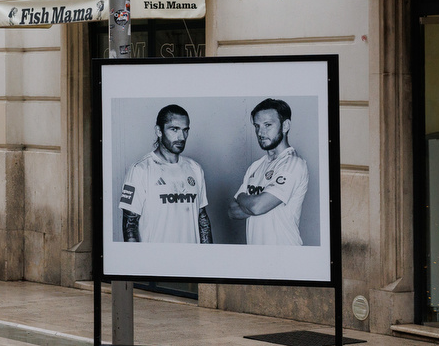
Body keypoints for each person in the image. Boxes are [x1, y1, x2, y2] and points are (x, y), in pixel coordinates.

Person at [121, 104, 212, 244]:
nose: (181, 137)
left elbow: (202, 219)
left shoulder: (195, 169)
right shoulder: (140, 170)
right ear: (159, 131)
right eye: (174, 129)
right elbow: (130, 225)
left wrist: (208, 257)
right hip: (155, 262)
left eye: (185, 130)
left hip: (192, 261)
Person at [228, 98, 309, 245]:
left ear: (285, 126)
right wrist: (258, 204)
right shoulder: (255, 166)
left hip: (284, 256)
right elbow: (232, 211)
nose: (260, 132)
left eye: (267, 125)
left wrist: (242, 196)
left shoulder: (294, 164)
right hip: (256, 257)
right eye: (257, 126)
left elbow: (257, 207)